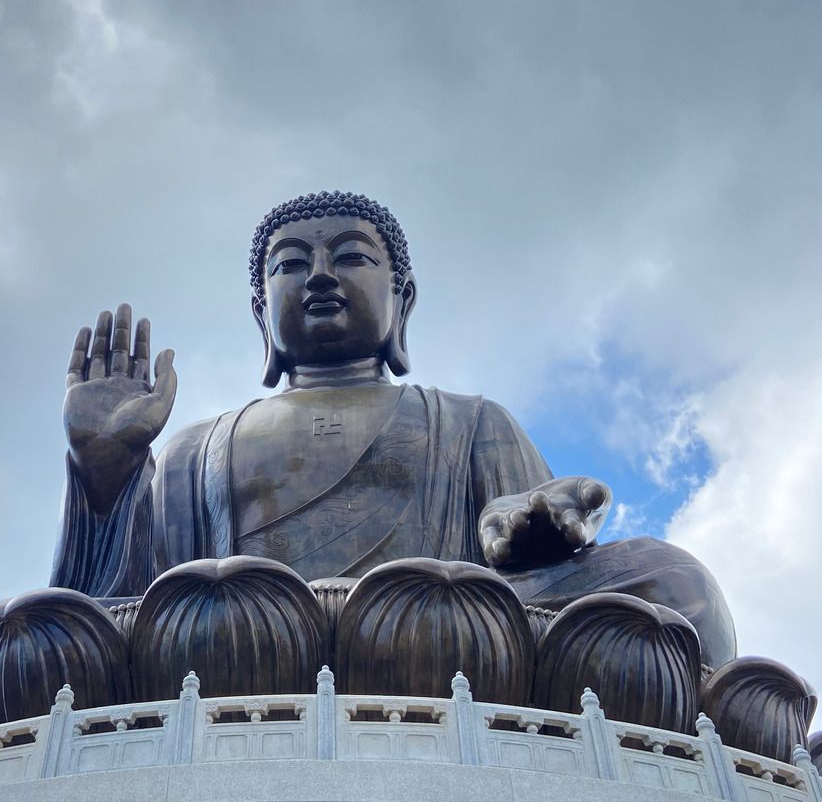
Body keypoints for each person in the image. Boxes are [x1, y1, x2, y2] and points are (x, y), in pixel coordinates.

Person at [52, 190, 735, 667]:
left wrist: (533, 525)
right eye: (291, 264)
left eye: (351, 257)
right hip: (238, 642)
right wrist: (104, 473)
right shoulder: (195, 449)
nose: (321, 276)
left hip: (442, 631)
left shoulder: (470, 420)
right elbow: (120, 606)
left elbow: (531, 565)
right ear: (263, 313)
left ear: (401, 299)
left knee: (677, 586)